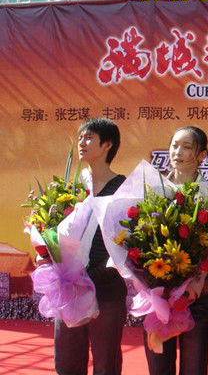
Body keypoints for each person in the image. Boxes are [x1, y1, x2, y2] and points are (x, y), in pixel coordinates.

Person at [144, 126, 208, 375]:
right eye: (174, 145)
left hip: (195, 293)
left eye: (186, 147)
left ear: (202, 155)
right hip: (159, 292)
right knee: (159, 367)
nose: (177, 152)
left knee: (194, 367)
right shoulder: (154, 189)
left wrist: (197, 281)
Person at [53, 117, 127, 375]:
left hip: (106, 286)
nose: (82, 143)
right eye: (80, 138)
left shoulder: (123, 189)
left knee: (105, 362)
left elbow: (125, 242)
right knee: (67, 361)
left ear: (107, 144)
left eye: (89, 138)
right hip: (70, 287)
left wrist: (93, 275)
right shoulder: (73, 188)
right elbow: (54, 231)